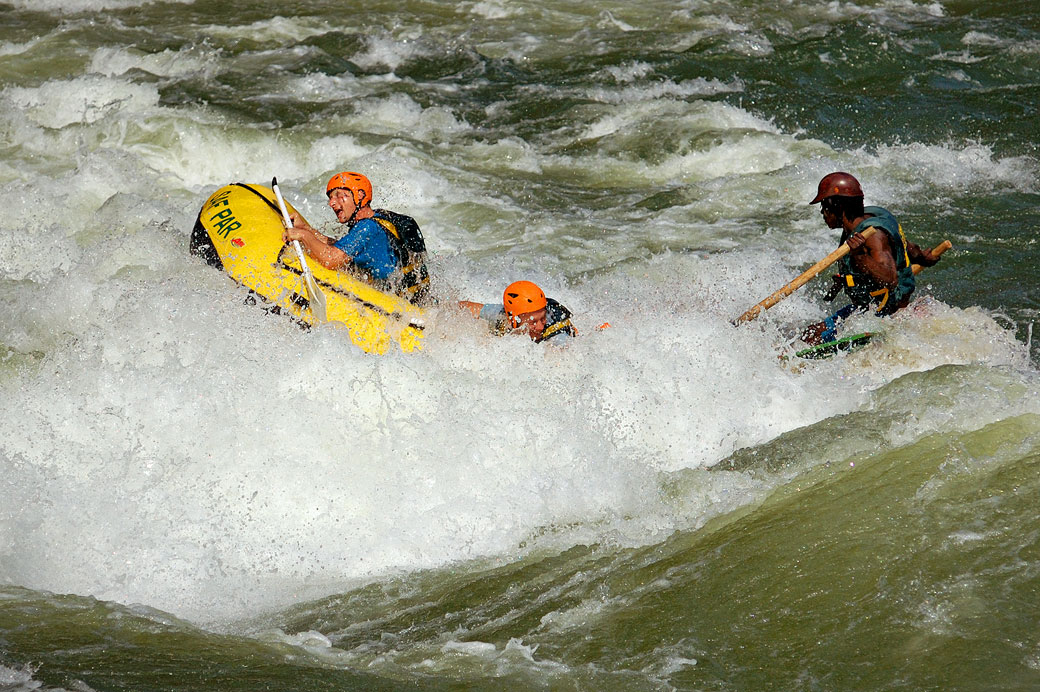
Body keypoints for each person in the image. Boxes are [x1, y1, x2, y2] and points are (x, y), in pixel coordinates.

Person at [800, 172, 942, 345]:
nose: (822, 212)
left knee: (812, 339)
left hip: (885, 313)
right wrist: (922, 258)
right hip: (867, 308)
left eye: (824, 206)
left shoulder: (872, 236)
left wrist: (859, 256)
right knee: (809, 334)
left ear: (838, 207)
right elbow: (903, 245)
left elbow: (890, 279)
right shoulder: (868, 219)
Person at [282, 171, 431, 305]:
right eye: (330, 198)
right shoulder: (379, 218)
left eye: (340, 195)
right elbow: (342, 248)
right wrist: (308, 230)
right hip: (418, 299)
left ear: (359, 195)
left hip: (404, 306)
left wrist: (303, 235)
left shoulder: (366, 228)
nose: (331, 203)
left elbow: (330, 259)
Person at [458, 280, 577, 343]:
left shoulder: (557, 335)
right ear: (513, 319)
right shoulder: (504, 316)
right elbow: (468, 307)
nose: (540, 326)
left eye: (542, 318)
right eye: (533, 322)